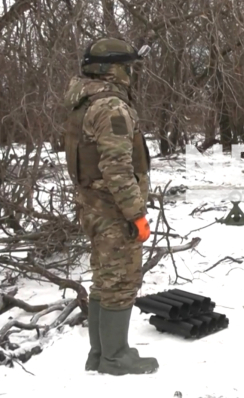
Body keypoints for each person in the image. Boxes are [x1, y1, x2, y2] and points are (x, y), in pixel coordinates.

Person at [64, 38, 158, 375]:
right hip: (112, 210)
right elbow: (117, 168)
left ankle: (100, 353)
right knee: (120, 281)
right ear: (114, 69)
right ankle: (115, 357)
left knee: (105, 279)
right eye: (127, 67)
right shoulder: (111, 108)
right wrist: (136, 215)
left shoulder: (86, 102)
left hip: (93, 205)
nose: (130, 73)